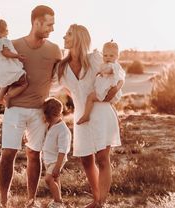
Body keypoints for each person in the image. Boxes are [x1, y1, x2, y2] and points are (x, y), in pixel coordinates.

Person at [0, 5, 62, 208]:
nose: (52, 29)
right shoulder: (14, 46)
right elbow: (2, 72)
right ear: (36, 22)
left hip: (38, 111)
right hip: (14, 109)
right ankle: (3, 202)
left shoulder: (54, 50)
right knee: (8, 154)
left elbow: (62, 74)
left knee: (35, 154)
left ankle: (31, 201)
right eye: (49, 24)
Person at [57, 24, 124, 208]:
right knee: (86, 159)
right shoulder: (62, 67)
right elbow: (63, 88)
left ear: (78, 38)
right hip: (81, 114)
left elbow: (116, 75)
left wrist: (113, 93)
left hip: (101, 112)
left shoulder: (95, 59)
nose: (64, 37)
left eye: (68, 34)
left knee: (102, 158)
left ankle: (100, 202)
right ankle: (96, 198)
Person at [77, 40, 125, 124]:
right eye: (105, 55)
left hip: (106, 92)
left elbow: (109, 70)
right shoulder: (115, 65)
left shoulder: (112, 66)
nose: (108, 58)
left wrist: (102, 72)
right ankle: (116, 119)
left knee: (90, 97)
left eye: (111, 56)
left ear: (117, 56)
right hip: (109, 91)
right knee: (110, 105)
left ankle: (86, 115)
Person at [0, 16, 28, 108]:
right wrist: (17, 56)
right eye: (7, 30)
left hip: (0, 68)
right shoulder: (4, 41)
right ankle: (8, 96)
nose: (8, 32)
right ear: (2, 31)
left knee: (6, 83)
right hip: (7, 67)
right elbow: (5, 53)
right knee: (24, 82)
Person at [42, 97, 71, 208]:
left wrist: (58, 167)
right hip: (49, 159)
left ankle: (58, 202)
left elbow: (62, 150)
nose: (45, 119)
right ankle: (58, 201)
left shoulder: (63, 130)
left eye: (47, 116)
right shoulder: (51, 125)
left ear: (53, 115)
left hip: (56, 159)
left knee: (48, 179)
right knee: (55, 179)